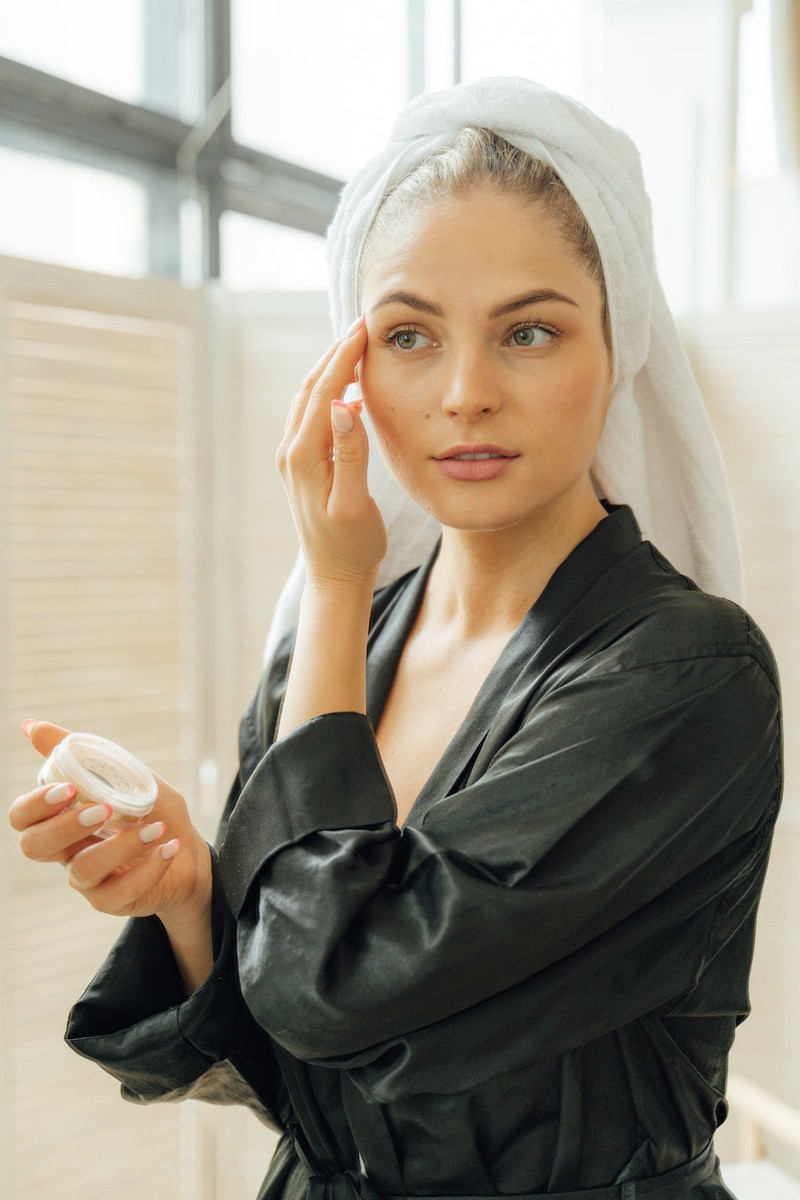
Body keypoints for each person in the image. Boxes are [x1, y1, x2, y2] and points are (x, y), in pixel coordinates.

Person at [8, 77, 782, 1200]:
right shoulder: (346, 643)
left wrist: (330, 575)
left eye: (528, 330)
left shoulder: (681, 678)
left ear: (617, 350)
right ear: (351, 368)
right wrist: (186, 897)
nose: (464, 393)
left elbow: (334, 994)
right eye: (409, 335)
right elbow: (299, 1070)